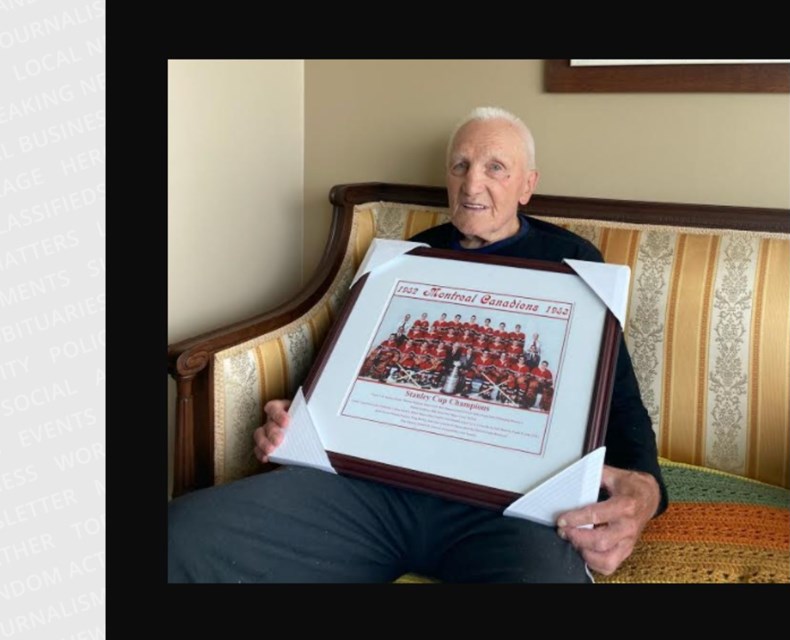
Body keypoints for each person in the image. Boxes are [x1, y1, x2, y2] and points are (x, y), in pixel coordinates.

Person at [168, 106, 666, 583]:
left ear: (527, 186)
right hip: (370, 493)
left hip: (509, 508)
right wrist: (294, 423)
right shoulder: (404, 261)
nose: (473, 183)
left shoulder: (574, 264)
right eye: (461, 166)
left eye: (496, 167)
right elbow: (345, 374)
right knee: (182, 535)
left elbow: (618, 400)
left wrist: (644, 489)